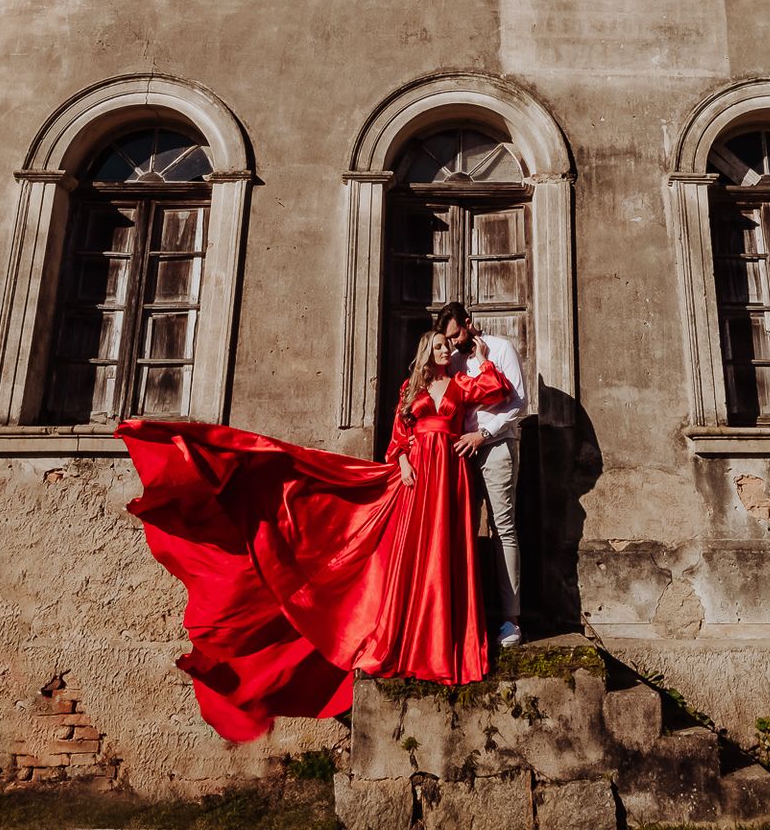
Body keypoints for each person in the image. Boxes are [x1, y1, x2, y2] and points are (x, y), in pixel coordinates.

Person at [114, 328, 507, 742]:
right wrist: (405, 460)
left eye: (449, 347)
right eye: (440, 346)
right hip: (417, 473)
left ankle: (447, 647)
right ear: (428, 351)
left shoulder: (462, 382)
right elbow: (399, 436)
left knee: (446, 555)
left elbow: (495, 389)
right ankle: (415, 642)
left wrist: (480, 358)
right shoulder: (412, 387)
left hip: (451, 473)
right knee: (418, 557)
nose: (447, 351)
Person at [436, 302, 526, 649]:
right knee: (462, 528)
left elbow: (519, 402)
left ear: (469, 324)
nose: (454, 343)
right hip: (460, 453)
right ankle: (468, 613)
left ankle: (512, 619)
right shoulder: (453, 359)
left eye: (456, 335)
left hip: (496, 446)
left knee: (503, 528)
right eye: (448, 338)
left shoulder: (502, 348)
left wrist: (483, 435)